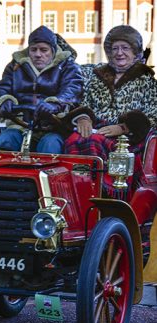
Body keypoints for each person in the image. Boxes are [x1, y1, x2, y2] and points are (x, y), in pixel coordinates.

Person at [64, 25, 157, 195]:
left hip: (130, 139)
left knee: (94, 143)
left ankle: (108, 196)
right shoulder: (97, 77)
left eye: (125, 48)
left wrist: (124, 127)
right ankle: (79, 194)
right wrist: (83, 117)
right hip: (97, 128)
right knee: (74, 140)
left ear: (135, 51)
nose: (119, 53)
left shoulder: (146, 80)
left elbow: (153, 116)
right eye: (115, 48)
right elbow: (83, 103)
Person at [0, 25, 83, 153]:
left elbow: (73, 89)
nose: (38, 54)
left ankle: (46, 173)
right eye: (34, 50)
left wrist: (55, 103)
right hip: (20, 125)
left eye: (44, 50)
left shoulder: (68, 67)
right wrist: (4, 100)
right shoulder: (16, 66)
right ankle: (1, 172)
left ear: (53, 50)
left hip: (54, 127)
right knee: (5, 141)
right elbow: (1, 88)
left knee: (50, 146)